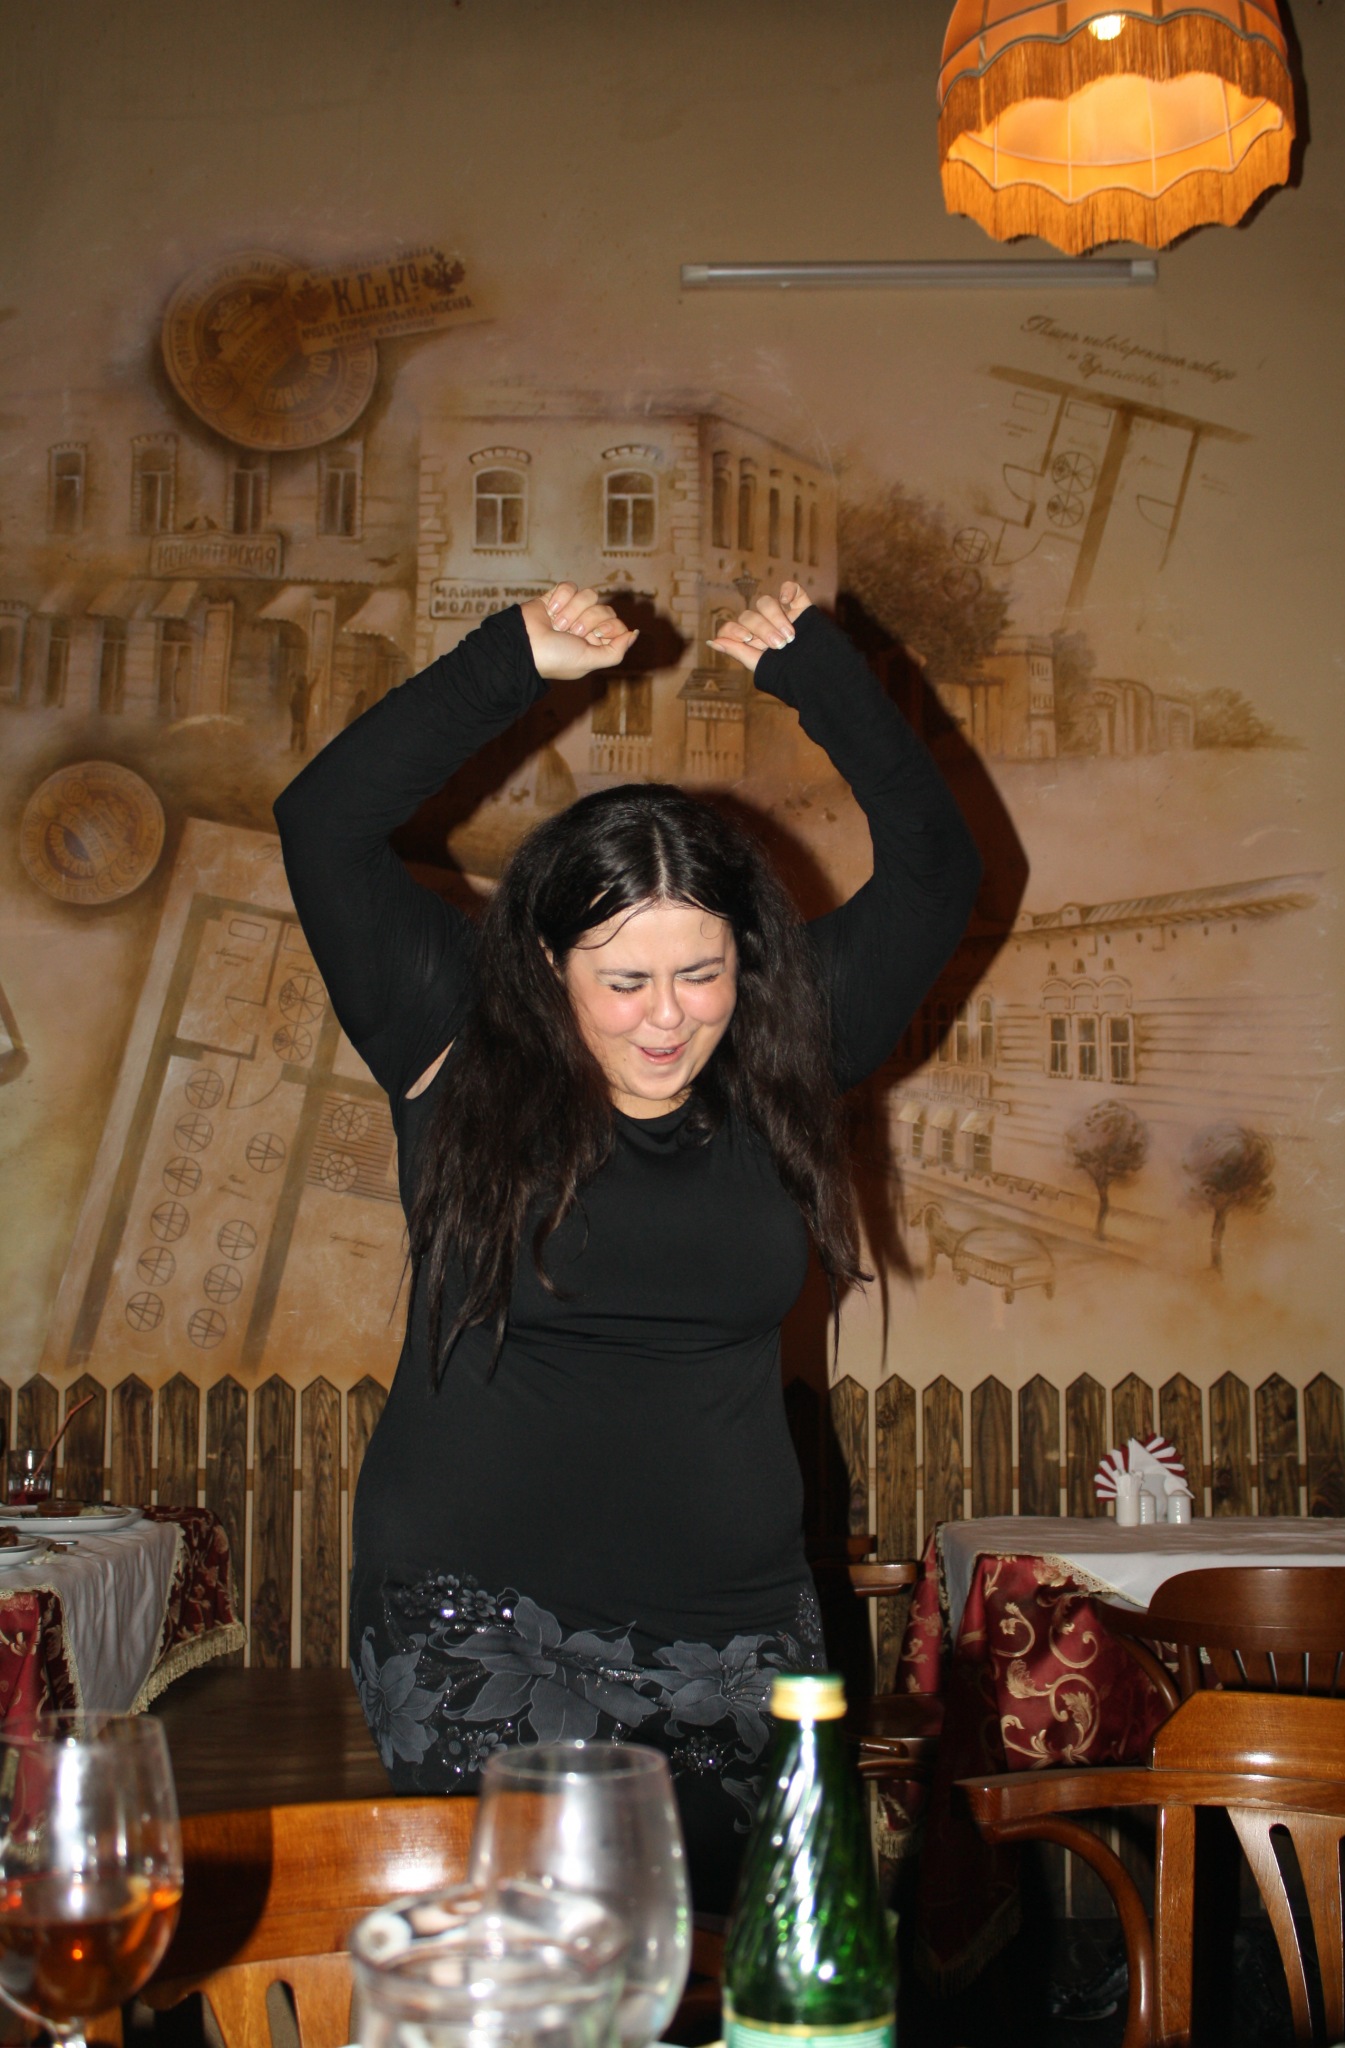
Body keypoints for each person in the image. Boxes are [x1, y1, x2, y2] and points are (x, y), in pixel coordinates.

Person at [274, 580, 980, 1910]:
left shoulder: (789, 1044)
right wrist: (508, 663)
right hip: (477, 1623)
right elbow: (322, 822)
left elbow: (938, 869)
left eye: (700, 974)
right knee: (543, 1968)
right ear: (548, 969)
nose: (668, 1019)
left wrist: (824, 679)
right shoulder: (452, 1033)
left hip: (739, 1633)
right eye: (624, 981)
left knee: (731, 1971)